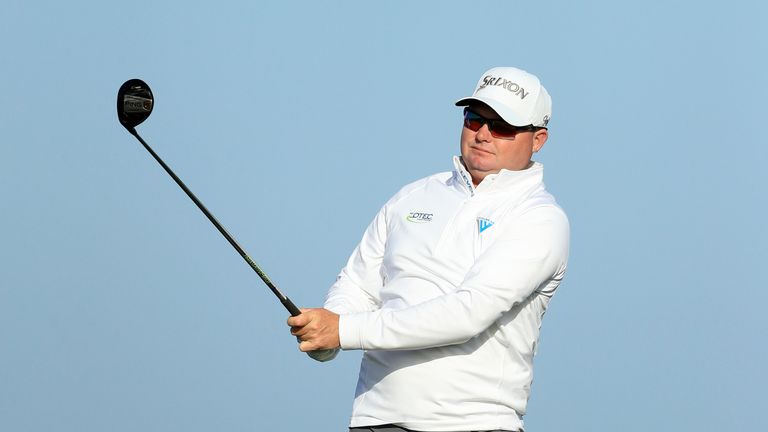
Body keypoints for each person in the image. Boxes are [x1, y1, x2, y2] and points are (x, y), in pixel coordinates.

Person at [287, 67, 570, 432]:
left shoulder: (540, 218)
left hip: (475, 423)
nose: (483, 134)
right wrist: (327, 334)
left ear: (538, 139)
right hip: (376, 419)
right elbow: (358, 285)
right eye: (474, 119)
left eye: (502, 126)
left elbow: (468, 313)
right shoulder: (413, 195)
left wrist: (344, 331)